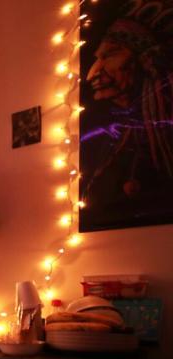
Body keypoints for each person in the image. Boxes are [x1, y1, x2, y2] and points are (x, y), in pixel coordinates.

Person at [81, 14, 173, 229]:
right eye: (97, 59)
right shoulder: (105, 138)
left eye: (110, 56)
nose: (92, 73)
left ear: (144, 60)